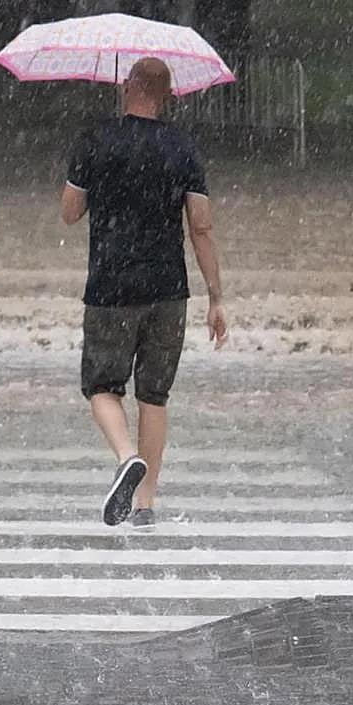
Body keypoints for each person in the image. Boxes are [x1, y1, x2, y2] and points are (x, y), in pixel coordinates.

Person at [60, 57, 229, 529]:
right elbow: (202, 226)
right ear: (166, 94)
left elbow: (70, 212)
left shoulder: (96, 139)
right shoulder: (183, 149)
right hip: (169, 289)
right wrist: (216, 296)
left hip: (111, 286)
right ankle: (146, 503)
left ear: (127, 85)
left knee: (102, 386)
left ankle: (126, 456)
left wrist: (94, 179)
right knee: (154, 395)